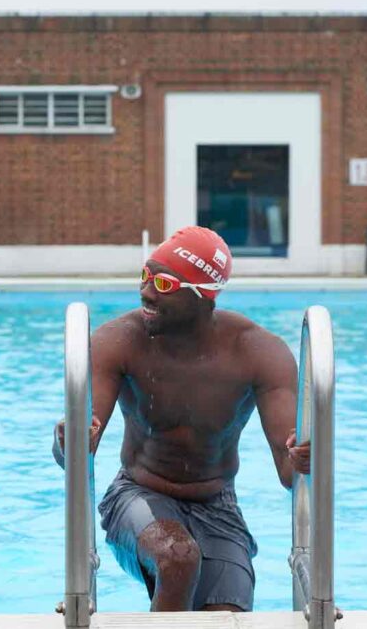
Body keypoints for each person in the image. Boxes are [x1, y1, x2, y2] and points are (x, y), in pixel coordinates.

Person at [52, 226, 311, 613]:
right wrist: (70, 442)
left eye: (163, 282)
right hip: (137, 495)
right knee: (178, 557)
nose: (146, 292)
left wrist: (305, 458)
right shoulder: (119, 341)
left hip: (218, 505)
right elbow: (74, 453)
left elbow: (291, 473)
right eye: (145, 276)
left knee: (228, 619)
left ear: (203, 295)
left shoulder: (258, 353)